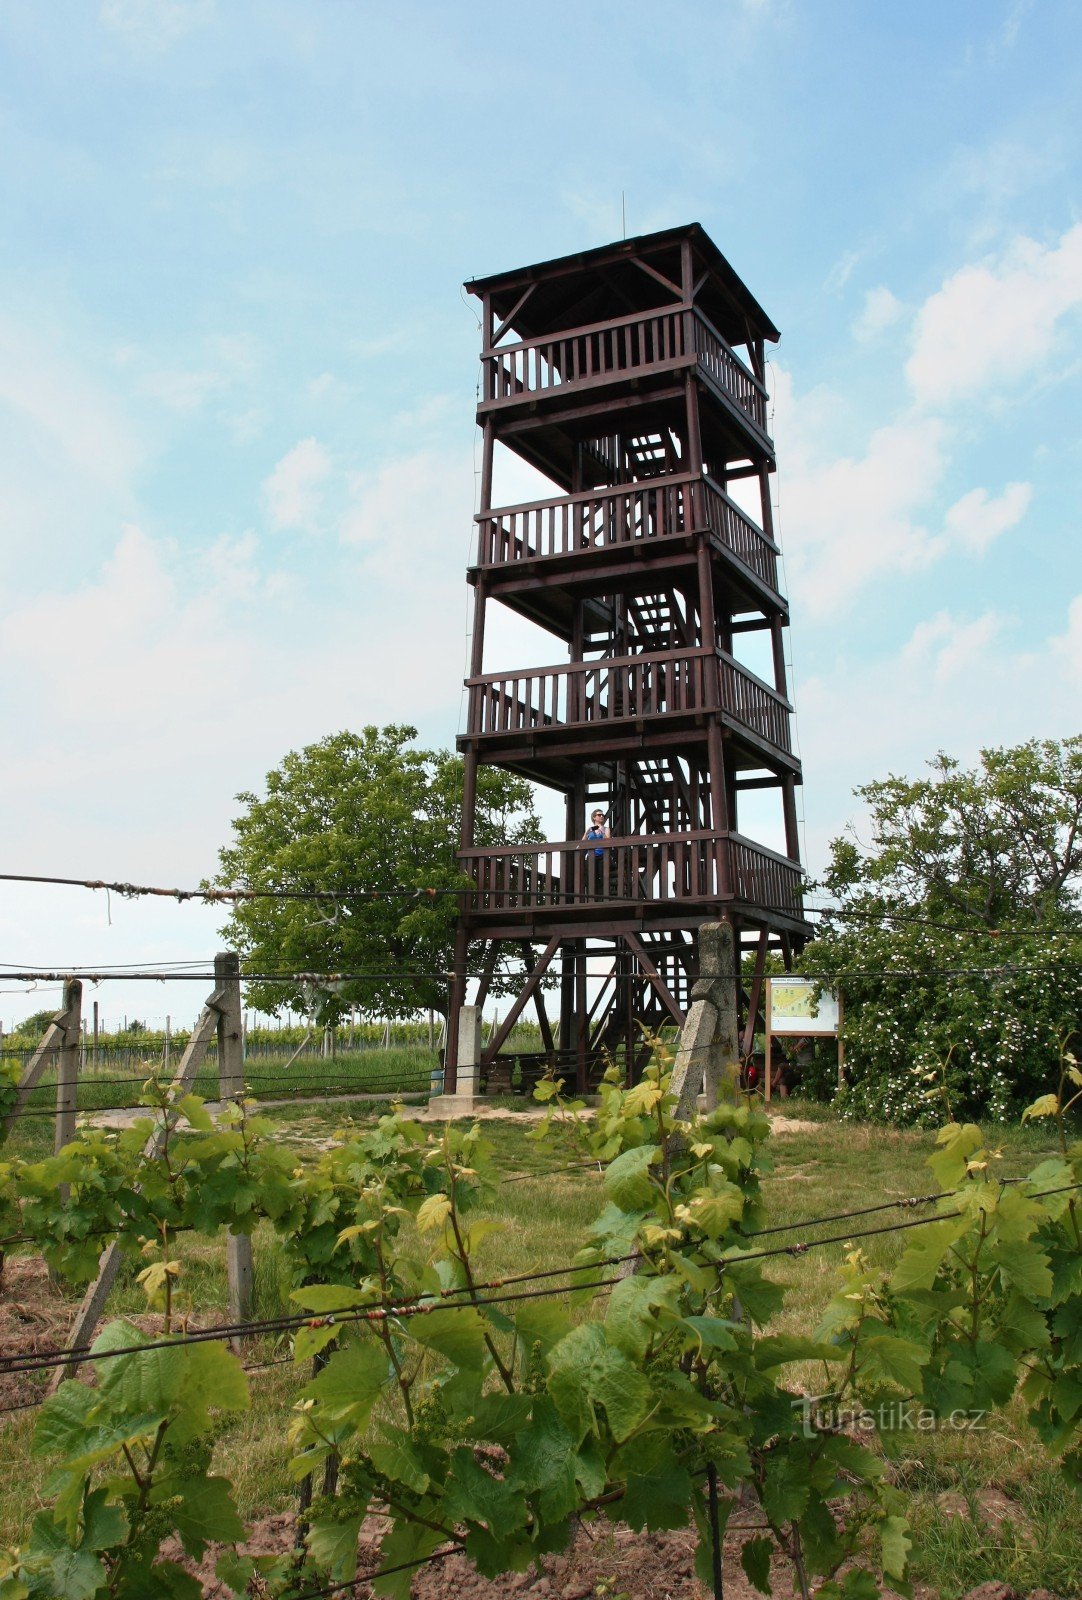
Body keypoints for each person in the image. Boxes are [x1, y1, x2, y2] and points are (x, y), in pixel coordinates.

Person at [581, 808, 610, 897]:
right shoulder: (590, 829)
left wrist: (601, 831)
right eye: (599, 815)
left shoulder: (606, 829)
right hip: (591, 855)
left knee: (601, 876)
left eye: (602, 815)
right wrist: (586, 833)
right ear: (594, 817)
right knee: (591, 876)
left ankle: (601, 896)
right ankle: (591, 896)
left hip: (602, 855)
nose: (602, 816)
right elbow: (583, 842)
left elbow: (608, 840)